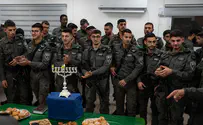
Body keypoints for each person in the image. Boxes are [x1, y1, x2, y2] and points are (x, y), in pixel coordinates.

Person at [155, 29, 196, 125]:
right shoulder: (166, 54)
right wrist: (157, 71)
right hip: (163, 91)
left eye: (178, 41)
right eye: (173, 41)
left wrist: (172, 72)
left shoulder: (189, 55)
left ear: (182, 40)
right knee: (162, 116)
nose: (175, 43)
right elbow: (159, 67)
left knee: (176, 118)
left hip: (178, 92)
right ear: (169, 41)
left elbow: (190, 75)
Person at [17, 23, 53, 109]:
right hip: (33, 75)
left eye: (36, 31)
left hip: (43, 76)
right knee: (37, 96)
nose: (33, 33)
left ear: (42, 32)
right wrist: (21, 57)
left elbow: (44, 64)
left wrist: (28, 63)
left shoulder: (47, 46)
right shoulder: (30, 44)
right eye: (32, 31)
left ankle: (46, 119)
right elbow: (28, 55)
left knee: (43, 98)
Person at [111, 29, 143, 116]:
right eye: (126, 37)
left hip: (130, 83)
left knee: (131, 107)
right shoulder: (116, 47)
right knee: (119, 106)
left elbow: (139, 67)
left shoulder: (136, 49)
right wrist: (112, 66)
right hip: (118, 81)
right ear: (122, 37)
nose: (128, 39)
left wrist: (127, 80)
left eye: (130, 37)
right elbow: (112, 59)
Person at [137, 33, 166, 125]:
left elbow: (165, 72)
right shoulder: (140, 54)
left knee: (155, 109)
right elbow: (137, 69)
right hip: (143, 84)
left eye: (154, 42)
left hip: (155, 85)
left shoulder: (162, 54)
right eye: (149, 42)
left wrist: (158, 85)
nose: (152, 44)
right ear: (145, 42)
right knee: (142, 109)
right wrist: (138, 82)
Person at [0, 20, 31, 105]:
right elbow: (0, 63)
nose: (13, 32)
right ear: (5, 30)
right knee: (11, 98)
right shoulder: (1, 43)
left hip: (21, 72)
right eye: (10, 30)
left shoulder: (20, 39)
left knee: (24, 97)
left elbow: (28, 52)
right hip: (9, 74)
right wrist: (2, 79)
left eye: (14, 29)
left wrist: (20, 58)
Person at [81, 29, 112, 114]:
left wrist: (92, 73)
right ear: (90, 37)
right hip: (90, 80)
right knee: (89, 103)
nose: (95, 39)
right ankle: (87, 121)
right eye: (93, 37)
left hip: (103, 80)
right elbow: (82, 66)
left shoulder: (107, 49)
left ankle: (104, 121)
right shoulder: (87, 51)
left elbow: (106, 66)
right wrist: (85, 73)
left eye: (98, 37)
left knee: (104, 103)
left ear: (101, 37)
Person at [53, 28, 82, 92]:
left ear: (71, 37)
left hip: (73, 77)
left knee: (72, 97)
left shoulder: (77, 48)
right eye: (62, 36)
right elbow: (54, 63)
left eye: (66, 36)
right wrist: (64, 63)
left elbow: (79, 62)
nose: (64, 38)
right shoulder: (58, 48)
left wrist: (70, 60)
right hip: (60, 76)